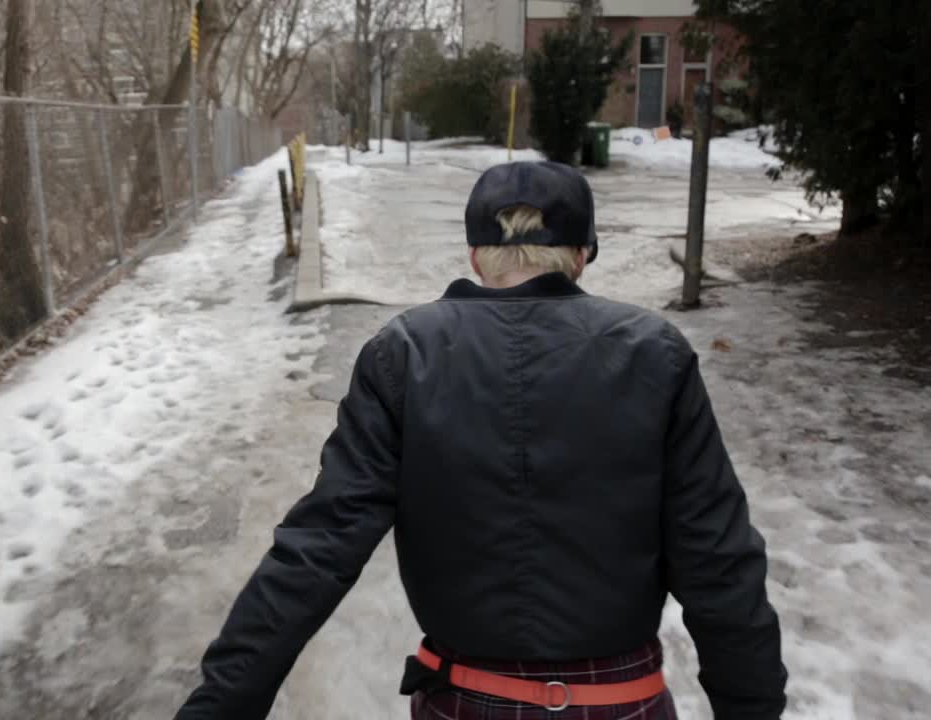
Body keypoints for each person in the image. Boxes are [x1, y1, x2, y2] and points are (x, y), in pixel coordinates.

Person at [174, 161, 786, 719]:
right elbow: (718, 561)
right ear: (581, 254)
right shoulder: (655, 354)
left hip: (464, 701)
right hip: (619, 701)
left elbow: (319, 546)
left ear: (475, 254)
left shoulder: (404, 355)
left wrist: (220, 705)